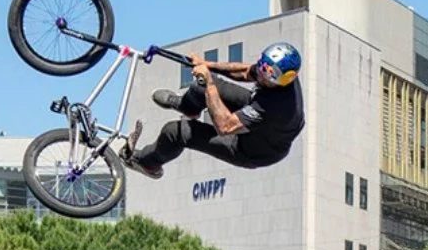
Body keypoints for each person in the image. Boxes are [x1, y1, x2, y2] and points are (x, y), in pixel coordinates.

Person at [125, 42, 304, 179]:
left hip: (251, 149)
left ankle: (147, 163)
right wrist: (206, 65)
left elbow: (224, 127)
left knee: (177, 131)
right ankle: (188, 107)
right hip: (263, 122)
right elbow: (245, 71)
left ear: (285, 79)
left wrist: (209, 81)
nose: (261, 75)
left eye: (268, 75)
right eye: (263, 67)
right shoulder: (276, 73)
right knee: (200, 88)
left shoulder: (277, 107)